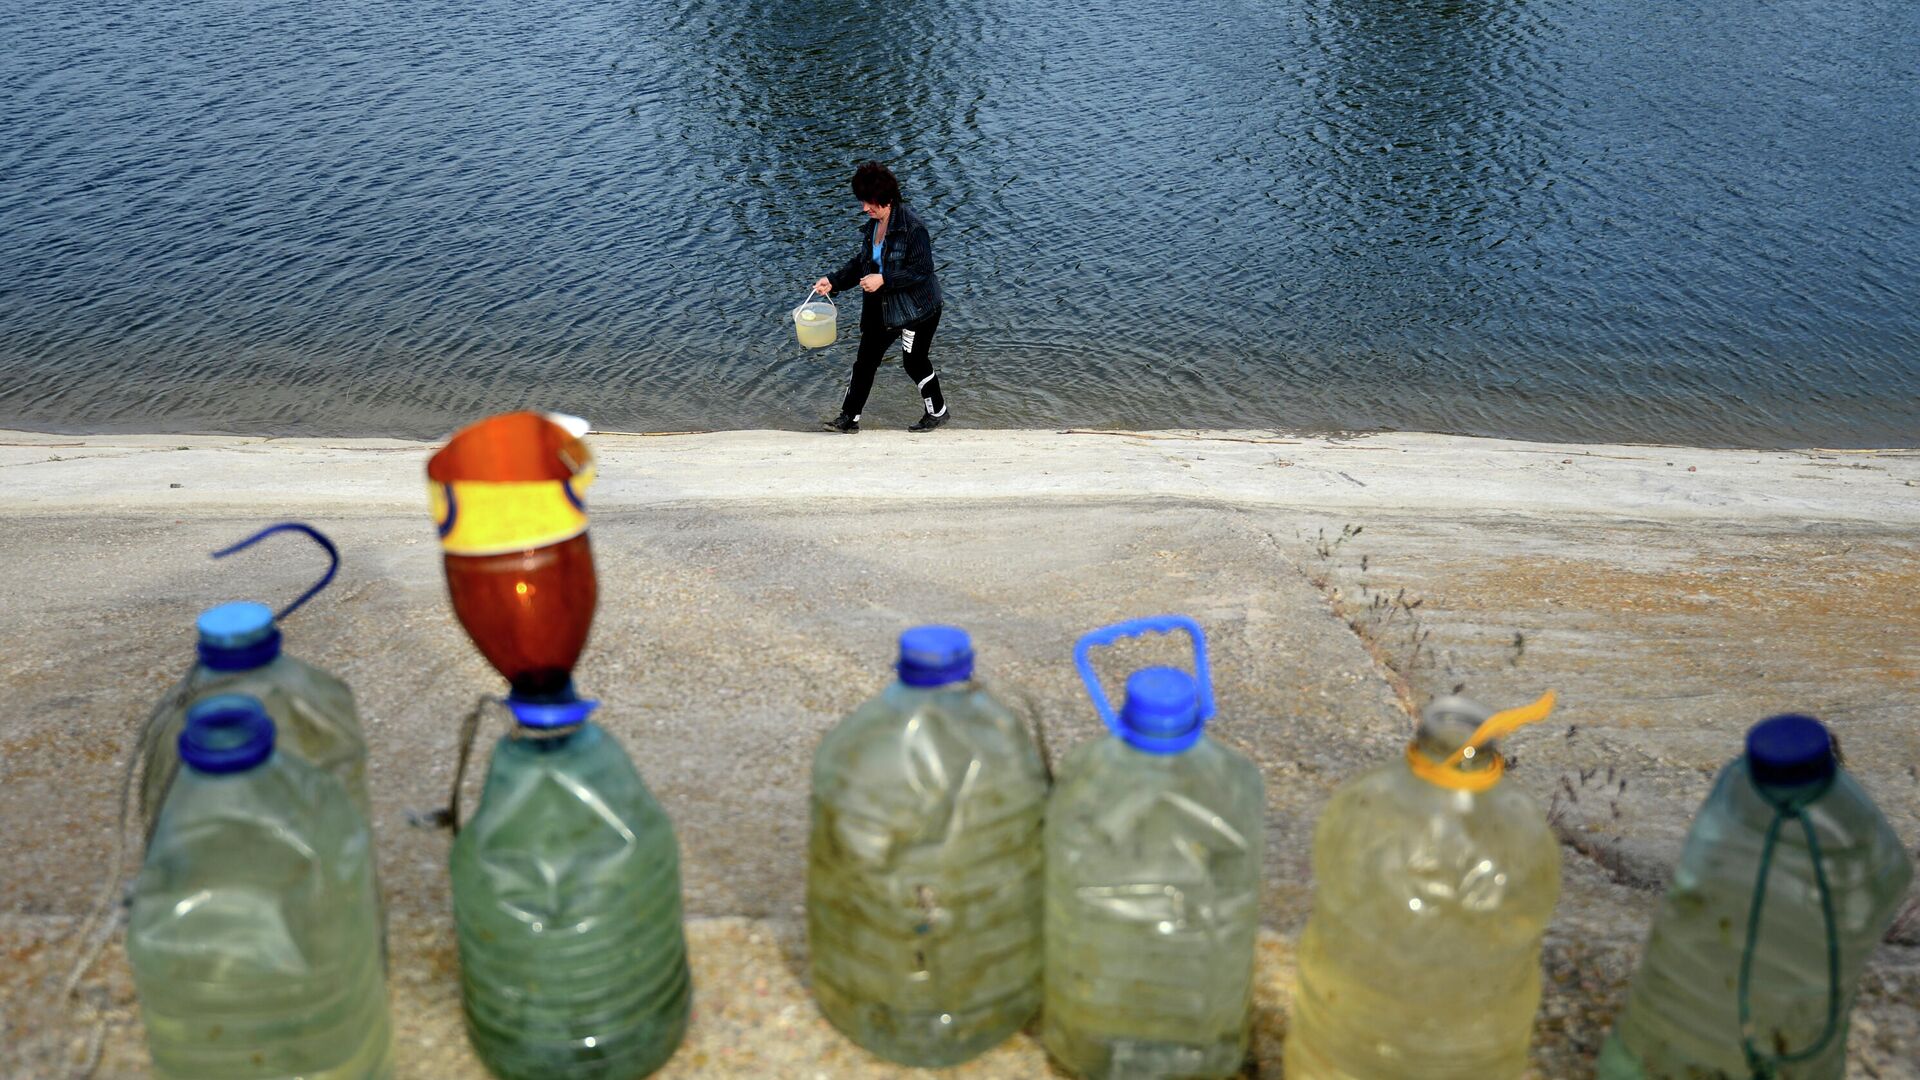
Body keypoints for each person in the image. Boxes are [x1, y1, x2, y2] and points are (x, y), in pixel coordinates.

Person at [814, 162, 949, 433]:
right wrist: (834, 281)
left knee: (914, 362)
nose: (865, 208)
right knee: (865, 361)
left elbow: (922, 271)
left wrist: (884, 278)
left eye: (869, 202)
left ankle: (938, 411)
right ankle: (849, 419)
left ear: (885, 199)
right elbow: (862, 263)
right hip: (881, 306)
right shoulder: (873, 227)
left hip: (917, 309)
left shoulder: (913, 228)